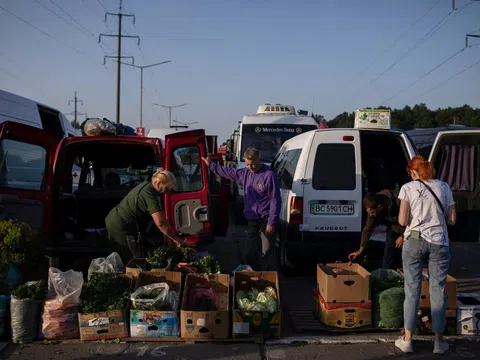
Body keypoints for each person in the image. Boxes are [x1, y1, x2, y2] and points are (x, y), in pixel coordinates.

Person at [394, 156, 456, 355]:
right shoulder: (445, 187)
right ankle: (438, 342)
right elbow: (452, 219)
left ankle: (407, 340)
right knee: (438, 290)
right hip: (439, 242)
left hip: (413, 240)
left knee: (412, 289)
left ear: (414, 172)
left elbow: (403, 220)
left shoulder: (408, 188)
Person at [202, 147, 281, 270]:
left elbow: (275, 200)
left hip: (265, 222)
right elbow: (227, 172)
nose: (250, 167)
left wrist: (271, 222)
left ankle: (269, 280)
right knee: (249, 253)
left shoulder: (269, 176)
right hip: (251, 222)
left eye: (253, 164)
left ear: (259, 160)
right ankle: (254, 276)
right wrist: (211, 165)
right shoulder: (244, 173)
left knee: (266, 254)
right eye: (247, 164)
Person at [105, 168, 185, 263]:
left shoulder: (147, 186)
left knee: (121, 257)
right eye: (167, 188)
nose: (167, 192)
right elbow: (161, 222)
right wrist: (176, 238)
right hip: (120, 224)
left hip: (114, 219)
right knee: (130, 260)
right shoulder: (149, 194)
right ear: (158, 184)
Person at [348, 190, 404, 270]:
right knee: (388, 254)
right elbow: (368, 229)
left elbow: (413, 221)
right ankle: (386, 278)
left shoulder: (399, 201)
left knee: (408, 255)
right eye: (369, 213)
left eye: (372, 212)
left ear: (380, 207)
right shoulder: (372, 206)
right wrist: (360, 250)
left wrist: (403, 236)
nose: (371, 215)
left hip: (411, 228)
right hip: (394, 227)